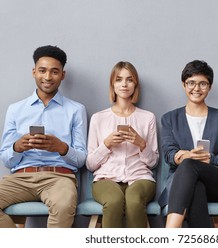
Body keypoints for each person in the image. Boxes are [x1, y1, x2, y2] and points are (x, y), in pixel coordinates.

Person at [0, 45, 87, 228]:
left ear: (62, 75)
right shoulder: (15, 110)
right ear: (34, 72)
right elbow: (6, 159)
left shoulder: (76, 110)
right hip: (20, 178)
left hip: (59, 178)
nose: (47, 77)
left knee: (63, 206)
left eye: (54, 72)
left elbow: (81, 160)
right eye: (42, 71)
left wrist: (60, 147)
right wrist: (17, 147)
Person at [158, 60, 218, 228]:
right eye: (191, 83)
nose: (196, 88)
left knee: (190, 164)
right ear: (183, 85)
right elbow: (168, 154)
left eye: (203, 83)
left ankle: (169, 233)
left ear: (209, 87)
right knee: (196, 188)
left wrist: (208, 159)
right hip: (182, 182)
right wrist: (183, 156)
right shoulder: (169, 119)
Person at [86, 61, 159, 228]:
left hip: (140, 177)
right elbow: (90, 165)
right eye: (119, 79)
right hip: (106, 178)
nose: (124, 84)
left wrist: (141, 143)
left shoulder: (147, 118)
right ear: (113, 84)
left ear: (135, 85)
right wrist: (107, 144)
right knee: (113, 200)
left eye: (129, 80)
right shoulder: (99, 118)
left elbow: (154, 162)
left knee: (134, 201)